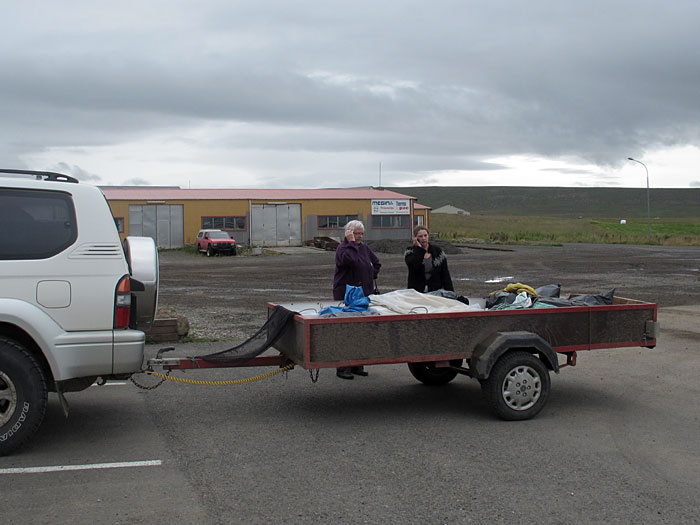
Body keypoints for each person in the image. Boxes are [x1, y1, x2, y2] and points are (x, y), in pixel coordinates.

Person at [332, 220, 381, 380]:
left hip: (363, 294)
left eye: (361, 234)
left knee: (361, 330)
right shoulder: (343, 248)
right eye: (356, 234)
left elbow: (376, 262)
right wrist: (351, 243)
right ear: (349, 233)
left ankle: (357, 364)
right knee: (346, 331)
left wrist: (371, 274)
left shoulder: (364, 248)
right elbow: (349, 260)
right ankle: (343, 366)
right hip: (346, 295)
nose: (359, 237)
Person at [404, 225, 454, 293]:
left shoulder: (438, 252)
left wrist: (451, 293)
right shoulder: (410, 251)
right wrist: (419, 249)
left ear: (428, 236)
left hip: (435, 290)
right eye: (420, 236)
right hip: (416, 291)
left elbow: (445, 274)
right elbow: (414, 266)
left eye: (425, 235)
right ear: (415, 238)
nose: (423, 238)